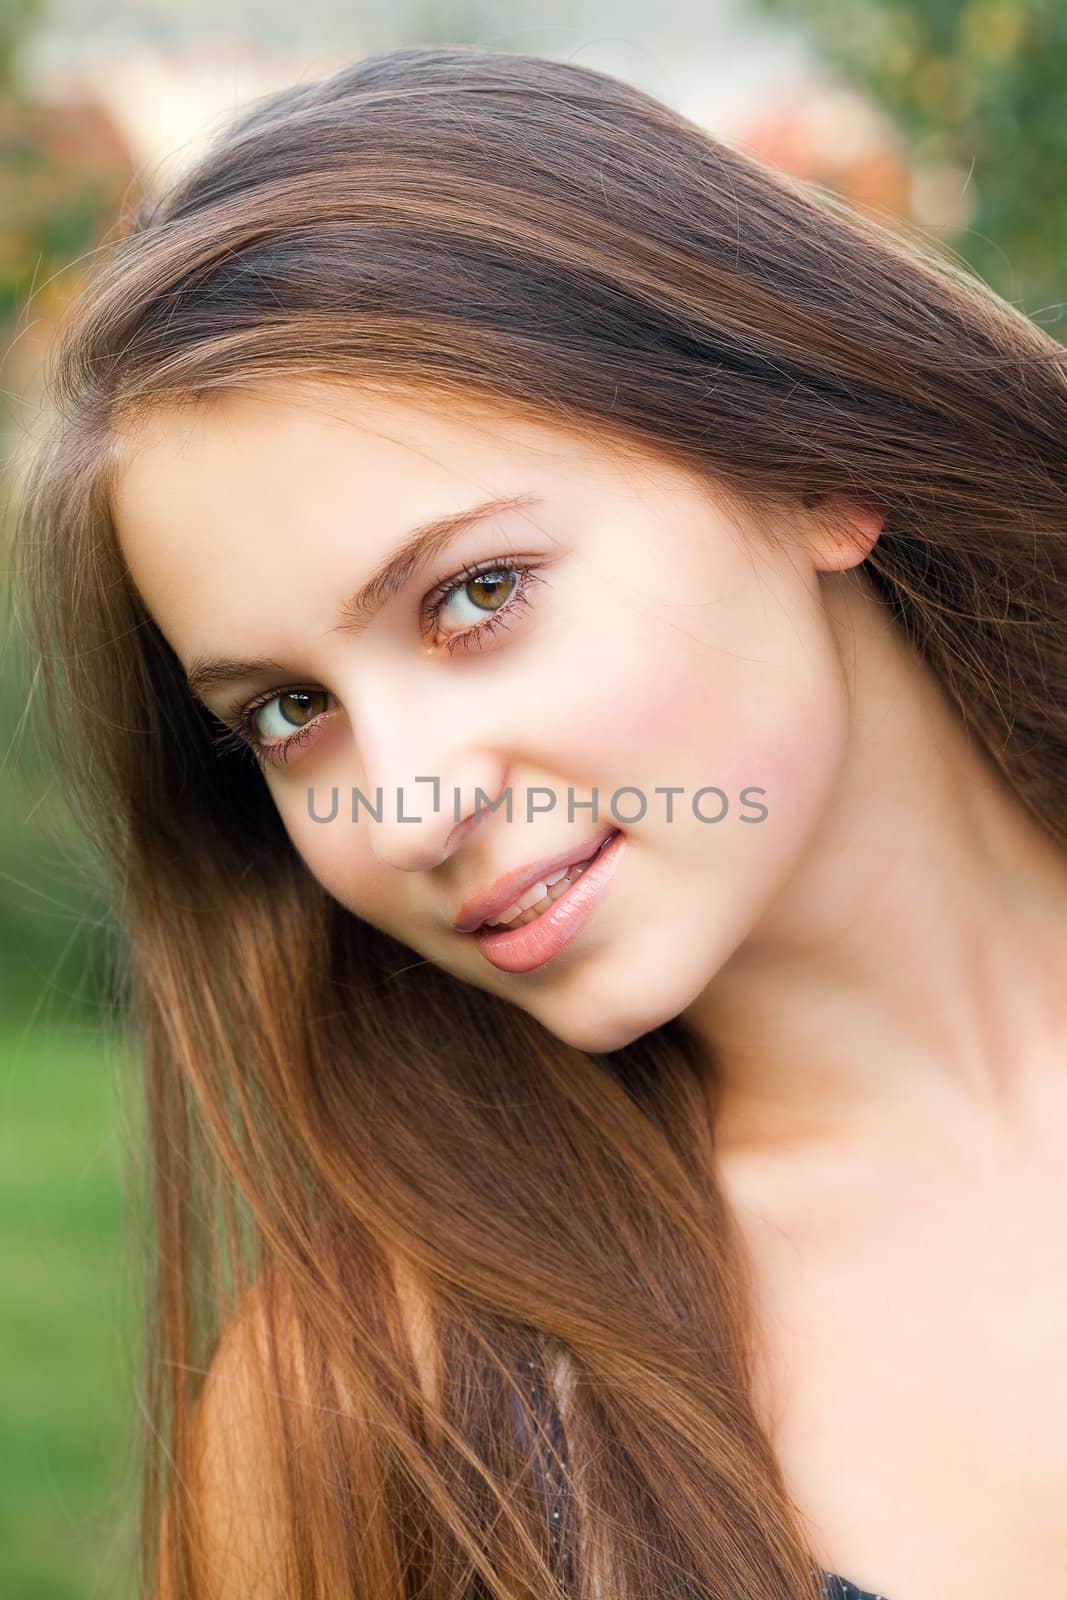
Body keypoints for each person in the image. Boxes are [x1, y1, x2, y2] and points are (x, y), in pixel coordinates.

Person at [12, 41, 1067, 1600]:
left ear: (816, 461)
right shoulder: (376, 1416)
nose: (411, 806)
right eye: (288, 714)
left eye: (476, 596)